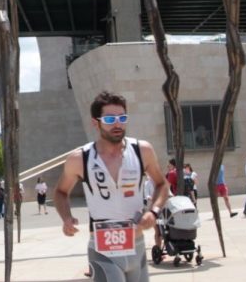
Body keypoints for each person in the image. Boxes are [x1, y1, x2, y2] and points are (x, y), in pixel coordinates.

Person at [54, 91, 169, 282]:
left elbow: (161, 184)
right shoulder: (80, 158)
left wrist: (154, 211)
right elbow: (60, 191)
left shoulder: (142, 150)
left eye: (122, 118)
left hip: (137, 245)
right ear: (95, 122)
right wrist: (66, 217)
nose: (117, 124)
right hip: (103, 251)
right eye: (109, 119)